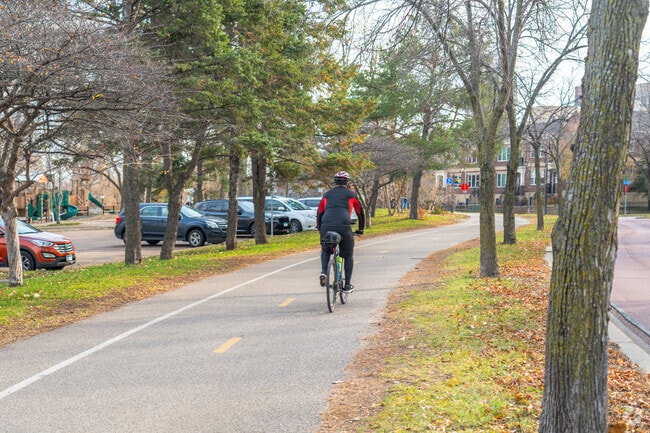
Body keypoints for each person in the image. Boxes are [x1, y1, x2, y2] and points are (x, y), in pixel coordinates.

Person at [317, 171, 365, 293]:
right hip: (343, 227)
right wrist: (361, 229)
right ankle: (348, 284)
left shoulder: (327, 195)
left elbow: (320, 212)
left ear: (335, 182)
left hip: (326, 226)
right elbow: (360, 213)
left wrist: (319, 228)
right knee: (348, 255)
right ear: (347, 182)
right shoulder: (351, 194)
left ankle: (324, 272)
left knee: (326, 250)